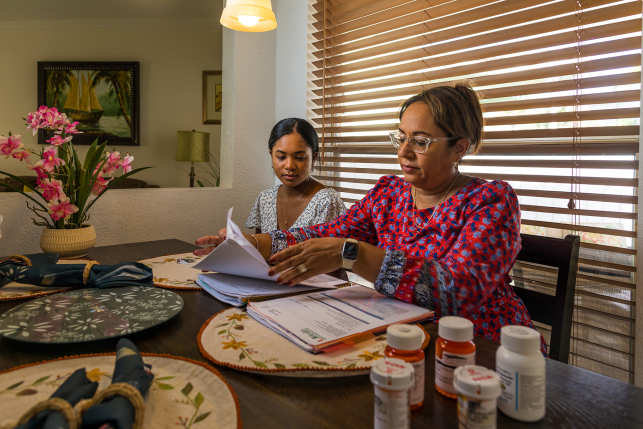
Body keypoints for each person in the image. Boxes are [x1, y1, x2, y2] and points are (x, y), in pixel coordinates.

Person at [195, 82, 545, 352]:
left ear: (459, 147)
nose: (404, 152)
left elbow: (458, 293)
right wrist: (250, 242)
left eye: (420, 141)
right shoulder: (389, 193)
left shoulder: (491, 201)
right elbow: (326, 233)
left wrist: (350, 253)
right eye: (401, 138)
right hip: (400, 332)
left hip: (479, 346)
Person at [245, 117, 346, 233]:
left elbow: (336, 248)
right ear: (271, 155)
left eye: (299, 158)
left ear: (313, 158)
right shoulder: (265, 199)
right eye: (281, 157)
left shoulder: (327, 202)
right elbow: (258, 247)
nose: (289, 166)